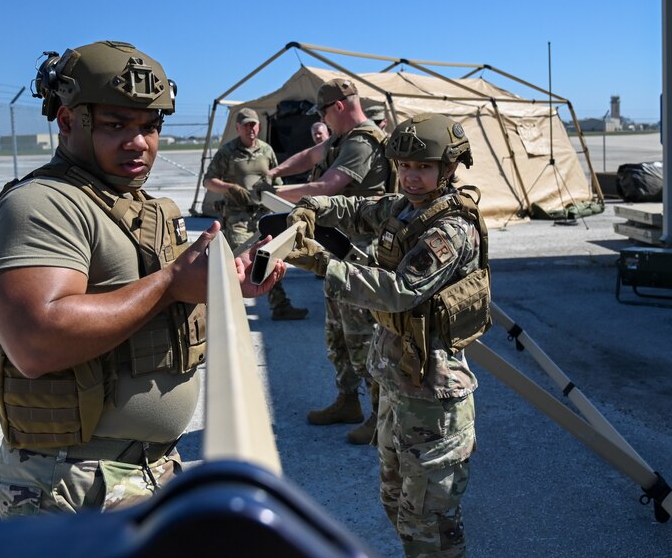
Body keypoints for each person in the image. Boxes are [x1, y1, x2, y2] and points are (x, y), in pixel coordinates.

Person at [0, 40, 284, 517]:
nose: (138, 142)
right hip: (74, 487)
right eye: (115, 125)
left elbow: (149, 305)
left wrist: (222, 287)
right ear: (66, 121)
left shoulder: (132, 203)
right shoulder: (43, 205)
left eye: (149, 126)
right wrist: (170, 284)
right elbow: (35, 341)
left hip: (145, 471)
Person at [284, 113, 488, 558]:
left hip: (433, 399)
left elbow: (398, 291)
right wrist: (312, 206)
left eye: (423, 168)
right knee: (396, 504)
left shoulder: (450, 230)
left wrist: (321, 263)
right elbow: (359, 209)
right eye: (404, 167)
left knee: (430, 526)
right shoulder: (406, 208)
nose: (411, 177)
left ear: (448, 169)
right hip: (399, 383)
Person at [268, 78, 392, 444]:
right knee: (337, 333)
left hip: (362, 255)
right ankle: (348, 400)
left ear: (337, 106)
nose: (323, 118)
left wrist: (275, 193)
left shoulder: (362, 142)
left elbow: (327, 187)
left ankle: (379, 415)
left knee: (362, 336)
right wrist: (275, 173)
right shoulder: (342, 140)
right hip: (340, 249)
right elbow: (312, 155)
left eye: (323, 111)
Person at [203, 107, 307, 320]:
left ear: (259, 126)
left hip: (262, 215)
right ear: (238, 127)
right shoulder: (228, 151)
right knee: (239, 260)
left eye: (254, 124)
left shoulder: (267, 150)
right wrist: (229, 188)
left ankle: (280, 306)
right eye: (246, 125)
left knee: (269, 257)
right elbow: (209, 181)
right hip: (237, 216)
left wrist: (273, 190)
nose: (251, 129)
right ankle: (225, 310)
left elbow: (277, 181)